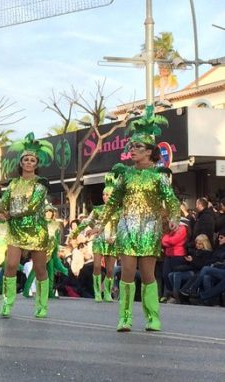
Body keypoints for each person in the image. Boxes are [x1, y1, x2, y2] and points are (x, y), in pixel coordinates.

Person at [99, 106, 180, 332]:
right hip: (127, 227)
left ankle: (152, 317)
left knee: (147, 275)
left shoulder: (158, 175)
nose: (132, 150)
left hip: (150, 228)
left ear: (149, 151)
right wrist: (99, 224)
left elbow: (171, 201)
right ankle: (124, 317)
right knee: (126, 272)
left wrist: (173, 217)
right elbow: (113, 201)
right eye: (131, 146)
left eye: (137, 147)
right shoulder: (125, 174)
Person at [0, 132, 54, 318]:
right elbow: (4, 203)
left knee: (40, 269)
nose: (28, 162)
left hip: (36, 231)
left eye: (32, 160)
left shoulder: (41, 185)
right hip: (16, 231)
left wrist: (9, 214)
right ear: (21, 163)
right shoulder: (12, 184)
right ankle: (7, 303)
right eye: (26, 159)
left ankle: (42, 305)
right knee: (10, 265)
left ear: (36, 164)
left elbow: (31, 207)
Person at [77, 173, 119, 303]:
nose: (105, 197)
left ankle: (107, 292)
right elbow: (87, 222)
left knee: (111, 269)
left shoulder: (119, 211)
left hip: (112, 242)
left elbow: (123, 226)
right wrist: (78, 233)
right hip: (99, 241)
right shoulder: (97, 210)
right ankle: (97, 292)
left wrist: (116, 237)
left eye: (108, 194)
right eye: (104, 195)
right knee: (96, 267)